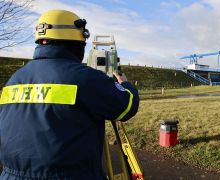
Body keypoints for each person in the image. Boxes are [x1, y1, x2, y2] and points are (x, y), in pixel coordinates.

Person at [0, 10, 139, 179]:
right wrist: (124, 84)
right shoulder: (85, 78)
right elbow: (127, 106)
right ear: (77, 41)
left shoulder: (14, 80)